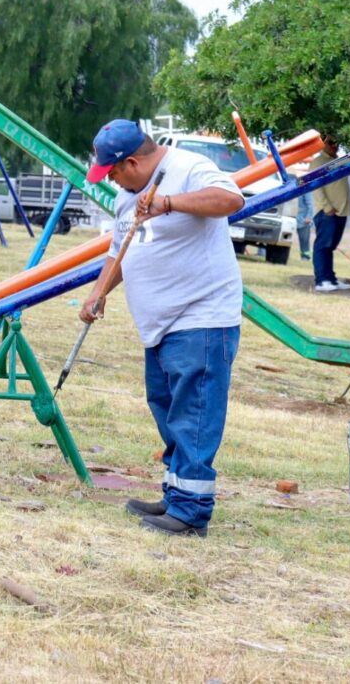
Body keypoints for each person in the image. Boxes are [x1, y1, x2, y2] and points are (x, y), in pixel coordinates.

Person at [80, 119, 245, 537]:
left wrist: (169, 203)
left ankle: (191, 513)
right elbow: (120, 248)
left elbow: (231, 199)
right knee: (168, 409)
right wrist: (99, 292)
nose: (112, 181)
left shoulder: (189, 167)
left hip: (201, 317)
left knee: (194, 413)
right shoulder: (128, 195)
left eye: (113, 172)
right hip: (159, 325)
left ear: (132, 163)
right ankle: (176, 495)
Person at [309, 136, 350, 291]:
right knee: (323, 245)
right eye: (331, 142)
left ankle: (330, 279)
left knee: (330, 246)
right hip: (326, 212)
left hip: (340, 211)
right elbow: (315, 186)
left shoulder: (338, 160)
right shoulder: (318, 162)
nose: (334, 146)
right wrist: (327, 207)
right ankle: (321, 281)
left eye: (336, 143)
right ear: (323, 143)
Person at [296, 190, 313, 260]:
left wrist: (308, 217)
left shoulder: (305, 190)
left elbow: (310, 204)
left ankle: (305, 257)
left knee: (304, 239)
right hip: (294, 218)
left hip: (303, 219)